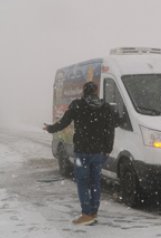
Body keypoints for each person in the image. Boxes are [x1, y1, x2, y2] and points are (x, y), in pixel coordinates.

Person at [44, 81, 118, 225]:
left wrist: (50, 129)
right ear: (96, 92)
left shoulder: (77, 105)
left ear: (84, 92)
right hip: (98, 153)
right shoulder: (105, 107)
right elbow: (110, 130)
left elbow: (64, 123)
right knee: (96, 182)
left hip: (81, 153)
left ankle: (86, 214)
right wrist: (108, 149)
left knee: (82, 182)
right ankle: (94, 211)